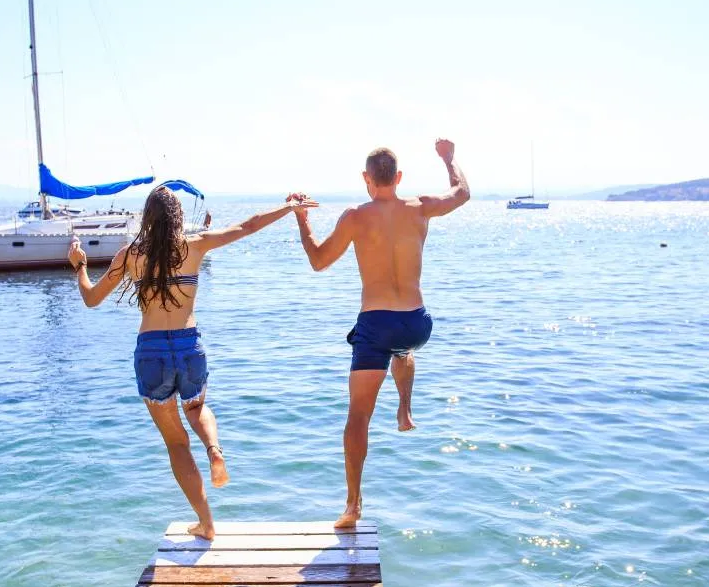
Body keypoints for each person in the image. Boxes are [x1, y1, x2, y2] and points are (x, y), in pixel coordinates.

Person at [69, 186, 318, 539]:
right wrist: (288, 208)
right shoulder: (195, 246)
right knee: (197, 406)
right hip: (189, 345)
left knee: (176, 444)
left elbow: (92, 298)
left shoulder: (130, 255)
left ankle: (206, 522)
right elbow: (247, 227)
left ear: (148, 218)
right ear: (178, 217)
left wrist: (79, 267)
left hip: (151, 350)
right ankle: (215, 450)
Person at [292, 138, 470, 527]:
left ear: (367, 179)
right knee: (403, 350)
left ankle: (353, 505)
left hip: (375, 324)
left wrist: (302, 220)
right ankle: (405, 406)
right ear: (399, 177)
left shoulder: (356, 215)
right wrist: (448, 158)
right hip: (416, 322)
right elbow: (462, 192)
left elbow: (319, 261)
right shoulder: (421, 207)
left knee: (358, 417)